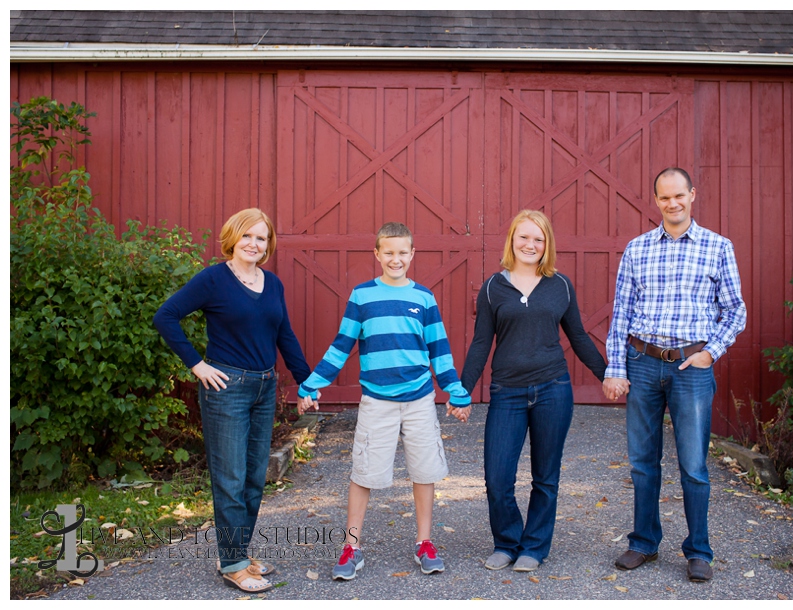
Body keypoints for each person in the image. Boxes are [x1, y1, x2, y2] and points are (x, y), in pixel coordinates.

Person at [297, 221, 471, 581]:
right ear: (376, 254)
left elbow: (439, 350)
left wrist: (456, 390)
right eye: (388, 252)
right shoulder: (362, 296)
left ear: (412, 254)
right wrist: (312, 385)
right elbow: (341, 345)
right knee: (364, 473)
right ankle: (351, 547)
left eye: (402, 252)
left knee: (424, 472)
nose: (396, 259)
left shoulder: (424, 298)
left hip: (420, 400)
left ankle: (424, 542)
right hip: (377, 401)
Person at [153, 208, 311, 593]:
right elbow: (166, 316)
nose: (254, 244)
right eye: (247, 237)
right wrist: (197, 365)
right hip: (227, 390)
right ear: (232, 238)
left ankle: (237, 552)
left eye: (261, 238)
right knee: (230, 479)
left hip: (263, 387)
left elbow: (284, 335)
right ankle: (233, 564)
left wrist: (307, 383)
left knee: (255, 478)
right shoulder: (213, 280)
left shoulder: (272, 284)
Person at [603, 167, 747, 582]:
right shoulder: (638, 248)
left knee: (693, 464)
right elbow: (622, 314)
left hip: (691, 367)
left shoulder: (718, 248)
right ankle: (643, 543)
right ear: (657, 201)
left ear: (692, 195)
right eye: (665, 197)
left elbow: (734, 309)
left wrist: (711, 353)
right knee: (643, 463)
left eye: (679, 195)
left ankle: (699, 550)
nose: (673, 203)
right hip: (643, 362)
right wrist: (616, 366)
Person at [459, 209, 607, 573]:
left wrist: (608, 373)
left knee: (545, 476)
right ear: (512, 240)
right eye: (524, 237)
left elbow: (578, 337)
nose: (531, 244)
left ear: (547, 245)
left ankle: (535, 547)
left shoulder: (561, 285)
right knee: (497, 478)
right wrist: (462, 390)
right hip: (507, 393)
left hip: (553, 389)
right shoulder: (494, 287)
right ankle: (507, 542)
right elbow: (481, 344)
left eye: (538, 239)